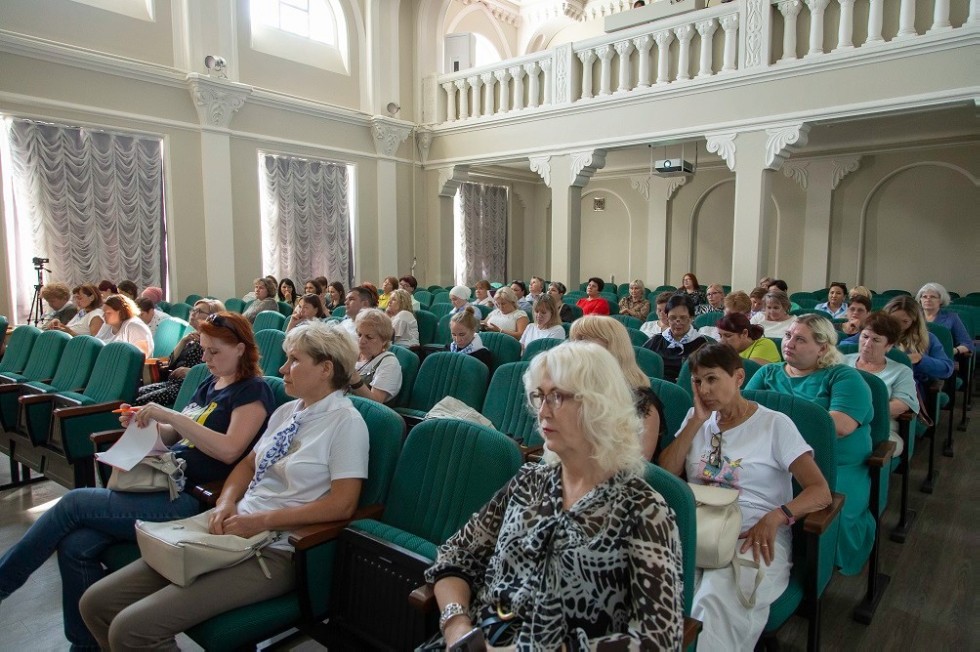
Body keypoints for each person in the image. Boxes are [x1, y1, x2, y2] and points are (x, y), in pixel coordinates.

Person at [79, 321, 369, 651]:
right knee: (96, 604)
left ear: (325, 369)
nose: (282, 368)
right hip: (233, 523)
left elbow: (343, 504)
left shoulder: (346, 424)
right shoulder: (289, 411)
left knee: (131, 630)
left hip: (276, 548)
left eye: (294, 360)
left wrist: (259, 521)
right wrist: (226, 502)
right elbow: (247, 465)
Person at [0, 310, 275, 650]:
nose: (206, 359)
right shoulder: (211, 382)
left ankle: (4, 582)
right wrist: (144, 423)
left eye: (214, 352)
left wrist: (169, 414)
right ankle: (85, 645)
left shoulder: (253, 390)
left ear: (241, 349)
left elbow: (230, 450)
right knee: (75, 545)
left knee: (71, 503)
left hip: (188, 499)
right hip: (162, 482)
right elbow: (175, 434)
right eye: (204, 350)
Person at [426, 342, 684, 649]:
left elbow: (660, 639)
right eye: (539, 396)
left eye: (557, 396)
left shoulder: (644, 509)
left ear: (598, 405)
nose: (542, 411)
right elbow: (456, 554)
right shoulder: (528, 481)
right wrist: (456, 625)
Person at [659, 342, 831, 650]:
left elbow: (820, 492)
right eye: (697, 381)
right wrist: (697, 421)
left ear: (739, 377)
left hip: (754, 534)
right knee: (667, 592)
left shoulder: (774, 424)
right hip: (699, 528)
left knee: (716, 597)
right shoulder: (696, 418)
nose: (704, 389)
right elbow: (667, 473)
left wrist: (778, 516)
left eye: (712, 379)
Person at [745, 314, 875, 576]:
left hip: (833, 463)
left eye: (800, 339)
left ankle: (821, 571)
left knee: (833, 514)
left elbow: (838, 426)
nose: (789, 343)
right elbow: (743, 415)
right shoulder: (768, 373)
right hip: (771, 458)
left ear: (823, 348)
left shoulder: (843, 377)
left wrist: (773, 425)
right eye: (788, 336)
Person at [571, 316, 664, 459]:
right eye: (575, 339)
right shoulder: (575, 391)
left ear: (612, 347)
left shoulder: (642, 402)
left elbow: (638, 463)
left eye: (584, 339)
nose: (574, 346)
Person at [843, 312, 919, 456]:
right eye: (865, 336)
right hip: (838, 423)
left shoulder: (901, 371)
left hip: (880, 429)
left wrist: (855, 413)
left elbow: (901, 405)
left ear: (888, 346)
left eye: (876, 340)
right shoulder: (841, 362)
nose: (867, 344)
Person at [135, 299, 224, 406]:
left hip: (188, 387)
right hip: (172, 383)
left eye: (199, 311)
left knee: (140, 401)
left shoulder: (213, 342)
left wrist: (190, 372)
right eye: (193, 310)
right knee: (134, 394)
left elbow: (218, 371)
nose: (193, 314)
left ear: (212, 316)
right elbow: (169, 363)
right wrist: (183, 341)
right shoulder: (191, 338)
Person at [883, 295, 954, 387]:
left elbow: (946, 369)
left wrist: (920, 360)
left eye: (905, 321)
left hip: (910, 386)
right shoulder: (871, 336)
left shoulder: (928, 338)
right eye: (893, 320)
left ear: (914, 322)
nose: (897, 325)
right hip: (879, 382)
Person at [643, 293, 708, 382]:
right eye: (672, 318)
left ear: (691, 318)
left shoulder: (702, 345)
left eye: (683, 318)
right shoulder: (657, 340)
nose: (677, 322)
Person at [347, 308, 402, 404]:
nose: (361, 341)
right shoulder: (353, 353)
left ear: (384, 340)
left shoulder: (389, 363)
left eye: (369, 337)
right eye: (359, 335)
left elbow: (376, 402)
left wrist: (355, 380)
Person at [917, 282, 974, 355]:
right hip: (917, 356)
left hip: (942, 357)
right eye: (924, 297)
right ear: (920, 300)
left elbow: (967, 344)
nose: (928, 299)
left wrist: (953, 351)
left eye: (933, 297)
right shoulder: (914, 317)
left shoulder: (952, 317)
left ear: (941, 300)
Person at [716, 312, 781, 364]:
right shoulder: (729, 350)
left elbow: (750, 371)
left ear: (744, 333)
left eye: (728, 336)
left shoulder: (765, 344)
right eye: (720, 336)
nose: (722, 341)